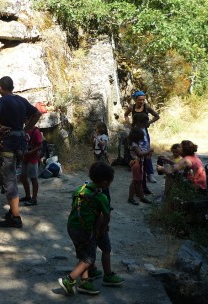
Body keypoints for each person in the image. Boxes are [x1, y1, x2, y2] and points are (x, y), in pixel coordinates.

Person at [58, 162, 124, 296]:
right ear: (105, 182)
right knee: (88, 258)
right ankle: (69, 280)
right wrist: (104, 229)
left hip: (73, 227)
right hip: (86, 229)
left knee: (84, 253)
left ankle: (85, 282)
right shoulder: (101, 197)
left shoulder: (80, 190)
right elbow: (107, 217)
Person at [0, 76, 42, 228]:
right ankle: (13, 211)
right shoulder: (21, 100)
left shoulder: (2, 100)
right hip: (21, 145)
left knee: (10, 180)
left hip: (9, 145)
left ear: (0, 88)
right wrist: (25, 129)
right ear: (12, 86)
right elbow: (37, 113)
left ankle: (16, 217)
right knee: (11, 177)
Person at [124, 91, 160, 183]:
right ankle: (138, 171)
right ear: (135, 99)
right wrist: (128, 123)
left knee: (146, 151)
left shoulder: (146, 107)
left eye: (143, 100)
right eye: (140, 100)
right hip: (135, 131)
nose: (142, 102)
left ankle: (150, 174)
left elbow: (157, 116)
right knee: (135, 151)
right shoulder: (132, 107)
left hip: (144, 132)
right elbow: (126, 115)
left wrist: (149, 123)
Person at [127, 127, 153, 205]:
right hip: (136, 164)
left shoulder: (135, 143)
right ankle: (131, 198)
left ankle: (142, 197)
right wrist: (149, 151)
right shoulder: (134, 145)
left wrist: (148, 154)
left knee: (139, 181)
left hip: (139, 163)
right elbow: (140, 154)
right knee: (135, 181)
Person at [19, 123, 43, 206]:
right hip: (25, 157)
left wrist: (30, 152)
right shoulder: (24, 130)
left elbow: (40, 146)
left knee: (33, 178)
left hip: (33, 158)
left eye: (25, 119)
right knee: (23, 176)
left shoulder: (36, 131)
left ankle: (34, 199)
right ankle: (28, 196)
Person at [132, 112, 154, 195]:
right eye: (145, 122)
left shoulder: (143, 129)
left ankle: (144, 188)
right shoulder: (136, 131)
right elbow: (137, 145)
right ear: (139, 123)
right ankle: (139, 191)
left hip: (144, 153)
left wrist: (148, 151)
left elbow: (146, 141)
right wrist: (147, 152)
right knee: (139, 175)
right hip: (139, 156)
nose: (147, 124)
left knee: (143, 173)